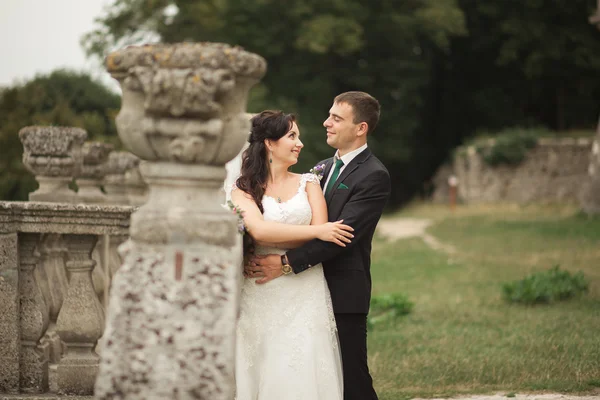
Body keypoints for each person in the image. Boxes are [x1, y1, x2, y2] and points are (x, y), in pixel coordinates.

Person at [246, 91, 391, 400]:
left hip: (342, 288)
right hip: (303, 289)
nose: (327, 123)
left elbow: (342, 237)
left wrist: (285, 263)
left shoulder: (373, 175)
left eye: (337, 118)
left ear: (360, 127)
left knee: (352, 379)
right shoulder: (320, 169)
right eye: (329, 115)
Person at [231, 110, 355, 399]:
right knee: (266, 363)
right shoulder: (244, 189)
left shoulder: (309, 182)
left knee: (304, 362)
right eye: (291, 136)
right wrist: (316, 232)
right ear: (269, 143)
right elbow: (259, 231)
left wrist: (317, 234)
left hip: (305, 288)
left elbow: (325, 235)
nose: (299, 143)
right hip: (261, 289)